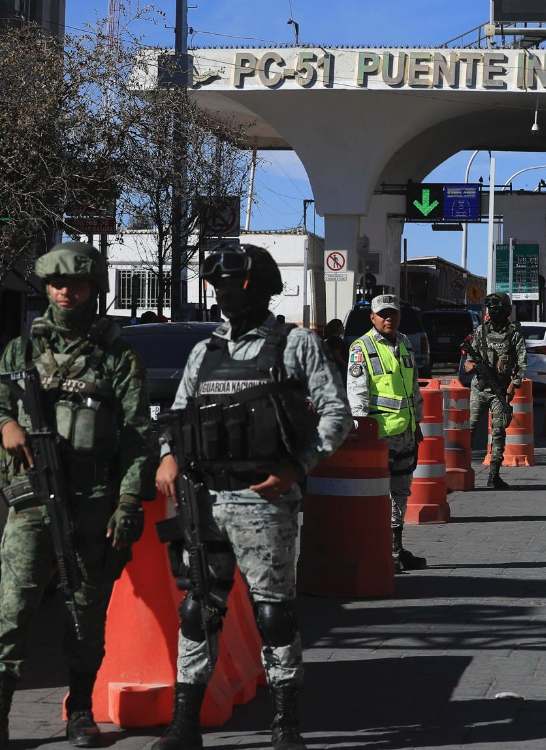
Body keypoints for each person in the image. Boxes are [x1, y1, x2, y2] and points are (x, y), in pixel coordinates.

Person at [152, 244, 351, 750]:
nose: (223, 294)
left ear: (259, 285)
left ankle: (286, 727)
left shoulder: (294, 344)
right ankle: (185, 725)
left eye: (233, 284)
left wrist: (296, 467)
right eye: (217, 285)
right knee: (198, 609)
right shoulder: (205, 351)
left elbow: (336, 415)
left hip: (265, 502)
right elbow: (176, 418)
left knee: (273, 613)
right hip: (204, 502)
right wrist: (168, 455)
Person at [0, 242, 156, 746]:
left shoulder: (117, 357)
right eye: (57, 284)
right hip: (31, 497)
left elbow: (136, 436)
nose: (67, 292)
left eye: (79, 284)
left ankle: (81, 710)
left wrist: (129, 502)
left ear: (95, 290)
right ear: (45, 287)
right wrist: (5, 423)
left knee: (84, 612)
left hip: (93, 500)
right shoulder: (20, 351)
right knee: (13, 609)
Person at [346, 295, 426, 573]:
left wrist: (417, 424)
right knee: (378, 495)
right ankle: (380, 550)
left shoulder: (404, 343)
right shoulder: (361, 348)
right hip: (377, 437)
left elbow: (412, 386)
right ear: (373, 318)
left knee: (401, 492)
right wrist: (362, 435)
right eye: (383, 314)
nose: (389, 318)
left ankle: (395, 548)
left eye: (393, 313)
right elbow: (356, 395)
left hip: (404, 431)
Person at [464, 292, 525, 489]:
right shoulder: (481, 331)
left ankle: (494, 475)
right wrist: (470, 365)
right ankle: (461, 471)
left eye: (496, 309)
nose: (492, 312)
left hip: (500, 389)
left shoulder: (513, 333)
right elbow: (468, 361)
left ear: (505, 311)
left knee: (498, 431)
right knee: (469, 430)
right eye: (490, 309)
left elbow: (523, 363)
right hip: (479, 387)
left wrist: (512, 384)